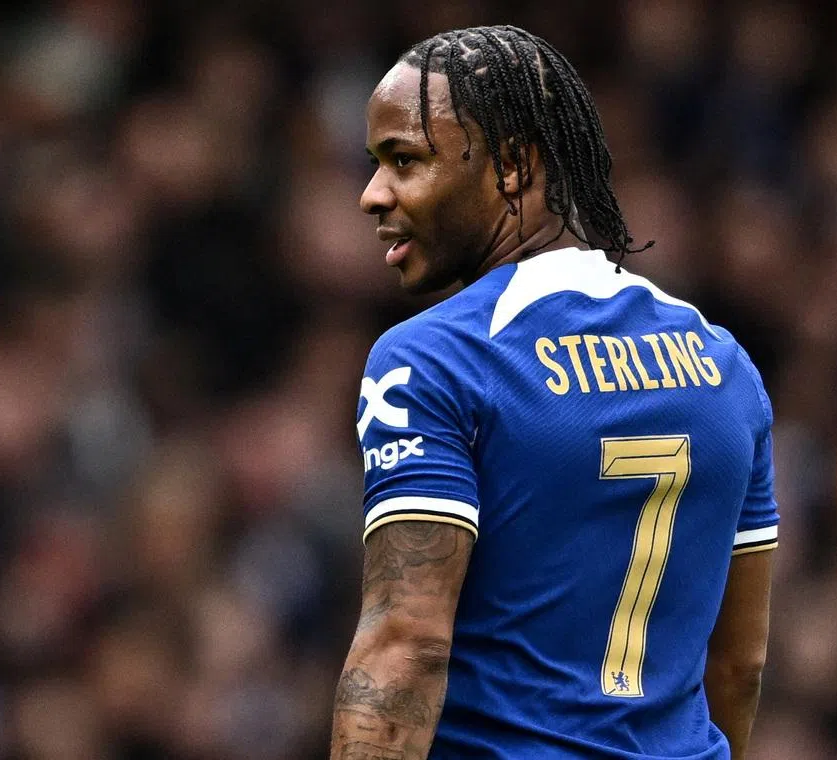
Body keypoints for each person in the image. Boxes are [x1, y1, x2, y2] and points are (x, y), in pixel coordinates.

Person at [331, 25, 778, 760]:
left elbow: (405, 646)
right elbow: (741, 665)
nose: (372, 194)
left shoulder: (435, 359)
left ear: (512, 168)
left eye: (404, 161)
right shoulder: (724, 365)